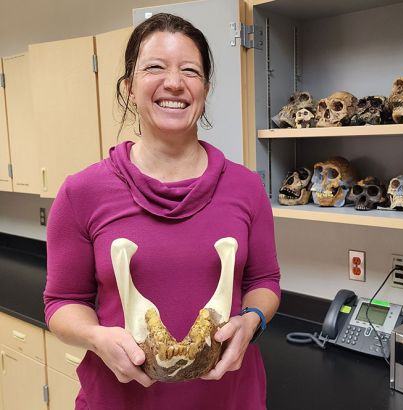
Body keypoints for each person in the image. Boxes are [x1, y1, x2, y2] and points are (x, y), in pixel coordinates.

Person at [43, 13, 280, 410]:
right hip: (120, 400)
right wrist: (97, 338)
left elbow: (266, 280)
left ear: (204, 89)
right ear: (129, 87)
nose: (174, 83)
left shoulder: (246, 187)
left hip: (230, 398)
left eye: (190, 70)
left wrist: (252, 319)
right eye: (155, 67)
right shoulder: (81, 192)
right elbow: (61, 303)